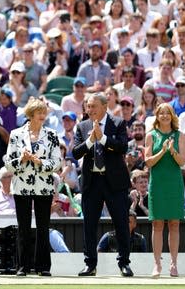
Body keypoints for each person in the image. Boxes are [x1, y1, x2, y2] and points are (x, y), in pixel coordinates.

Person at [73, 93, 133, 277]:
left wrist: (103, 138)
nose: (90, 110)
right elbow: (75, 153)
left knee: (121, 223)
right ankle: (90, 264)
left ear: (105, 107)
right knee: (89, 225)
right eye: (88, 106)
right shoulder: (82, 126)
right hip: (92, 182)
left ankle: (124, 262)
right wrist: (91, 140)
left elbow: (123, 147)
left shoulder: (118, 123)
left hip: (114, 182)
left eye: (93, 106)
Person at [5, 97, 61, 276]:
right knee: (23, 228)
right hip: (21, 186)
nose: (43, 115)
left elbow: (57, 162)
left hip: (44, 186)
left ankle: (43, 267)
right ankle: (22, 267)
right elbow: (8, 163)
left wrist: (40, 162)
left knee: (43, 227)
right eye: (39, 112)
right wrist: (21, 159)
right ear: (30, 114)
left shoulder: (51, 134)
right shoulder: (15, 134)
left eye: (44, 112)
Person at [144, 103, 185, 278]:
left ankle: (174, 264)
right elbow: (148, 162)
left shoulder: (180, 136)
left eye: (167, 113)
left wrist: (172, 150)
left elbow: (182, 161)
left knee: (174, 223)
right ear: (157, 116)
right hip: (158, 184)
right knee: (157, 224)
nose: (164, 116)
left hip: (174, 184)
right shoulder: (150, 136)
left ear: (172, 116)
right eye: (161, 113)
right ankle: (157, 264)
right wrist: (162, 151)